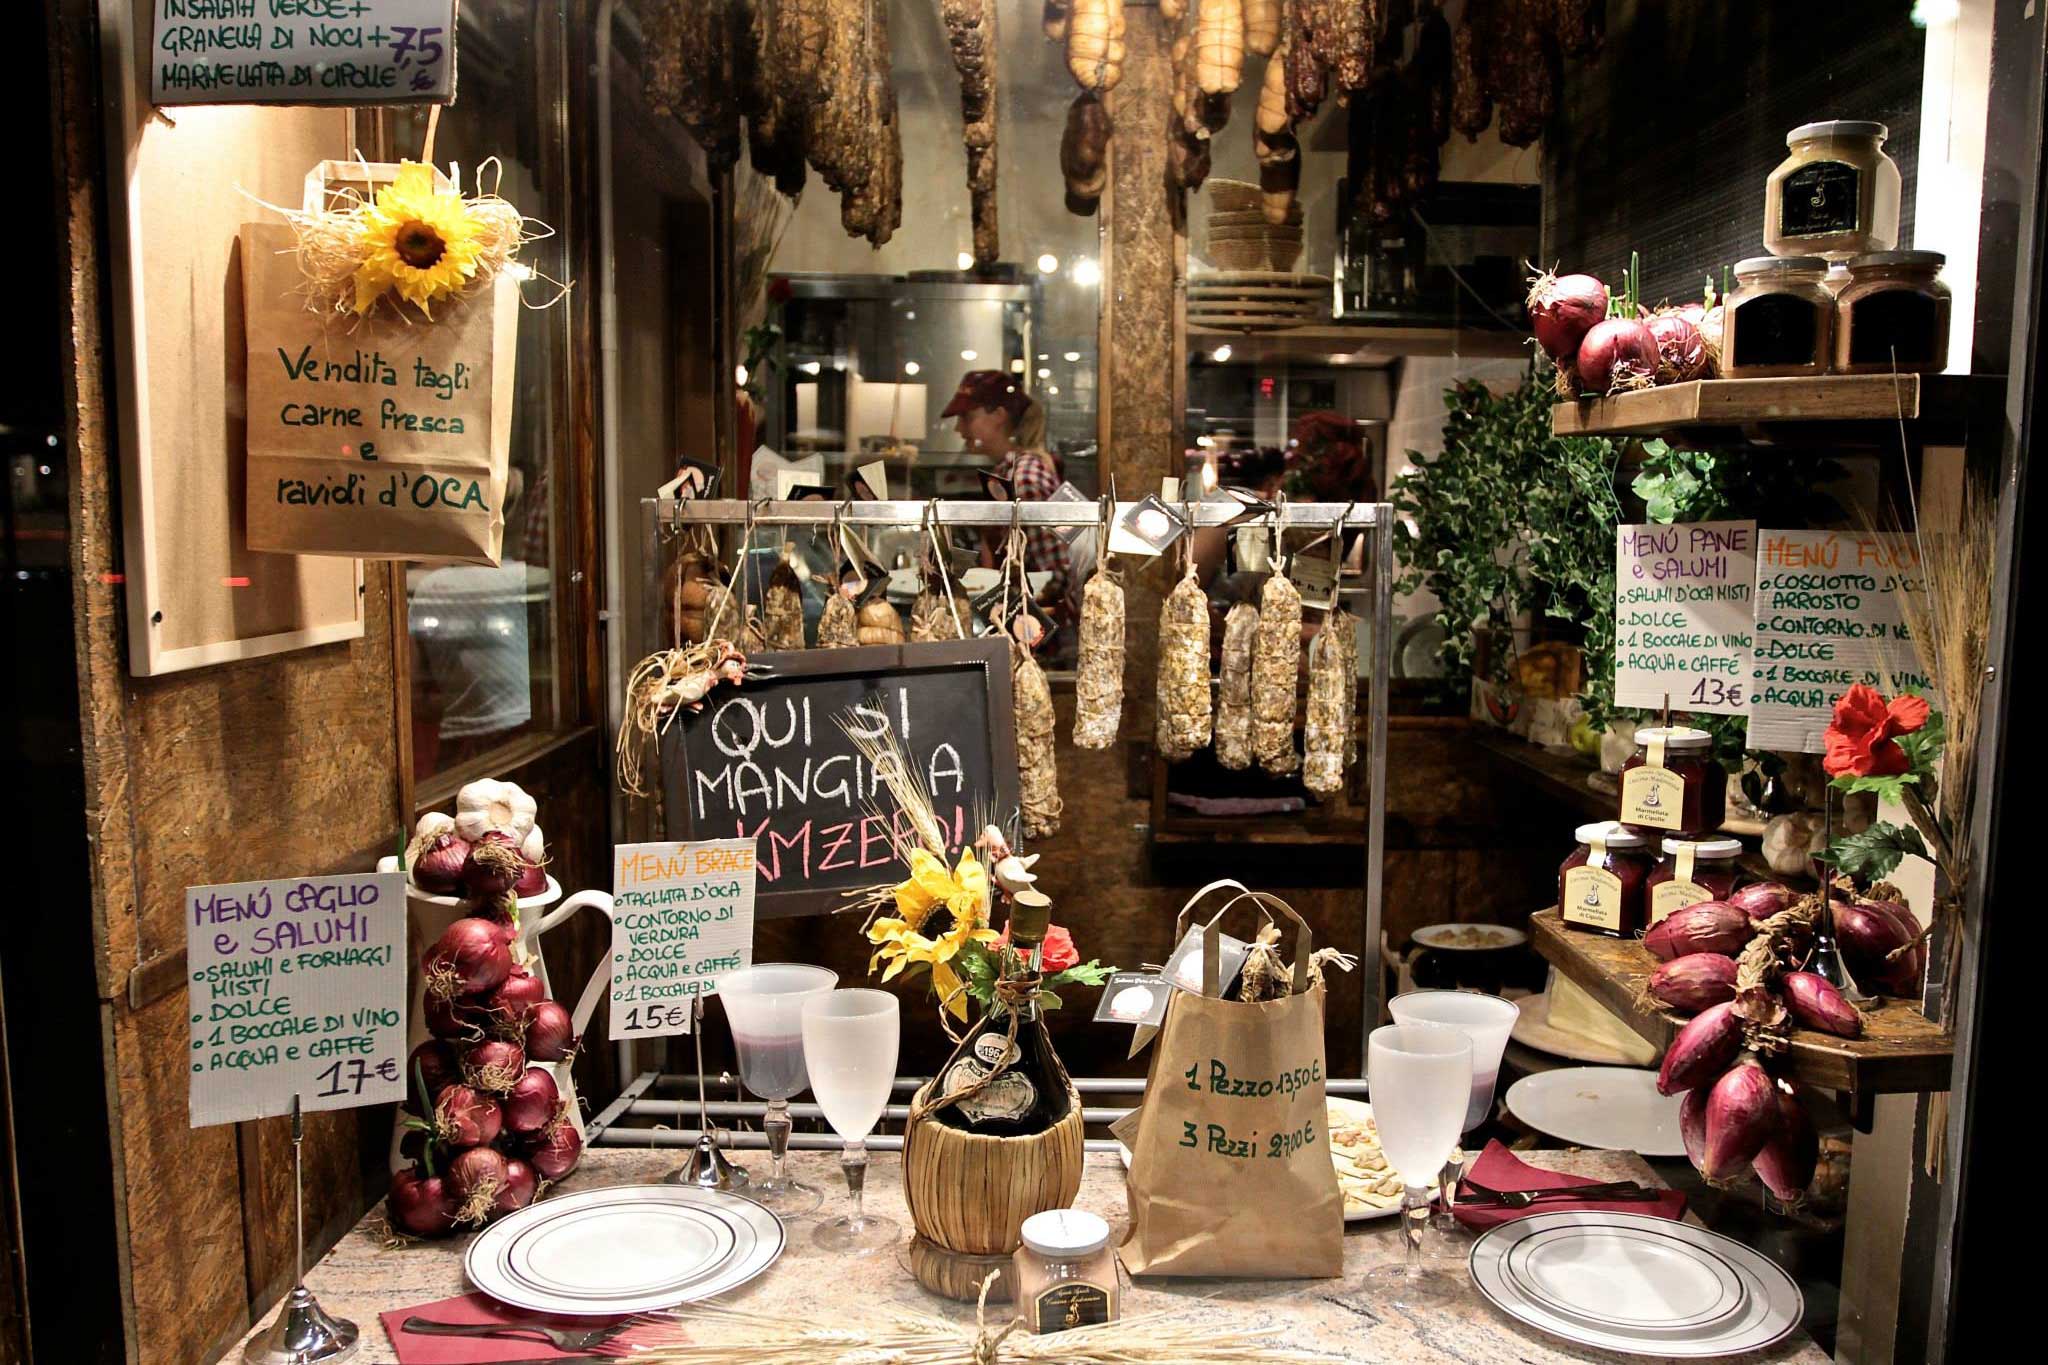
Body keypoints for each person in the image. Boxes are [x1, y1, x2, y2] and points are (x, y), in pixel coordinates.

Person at [941, 369, 1075, 636]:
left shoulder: (1023, 477)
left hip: (1033, 634)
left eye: (967, 417)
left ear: (999, 416)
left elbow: (1056, 575)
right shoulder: (1009, 470)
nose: (958, 429)